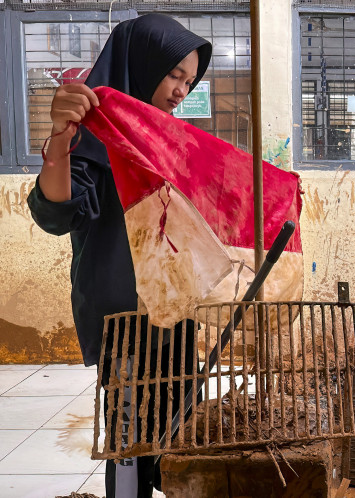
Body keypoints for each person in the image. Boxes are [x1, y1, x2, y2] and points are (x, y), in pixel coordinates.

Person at [27, 13, 212, 498]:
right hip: (125, 320)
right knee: (131, 439)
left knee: (180, 426)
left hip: (173, 312)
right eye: (173, 74)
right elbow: (56, 215)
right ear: (140, 63)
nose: (181, 90)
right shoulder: (92, 133)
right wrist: (60, 145)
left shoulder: (169, 139)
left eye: (189, 81)